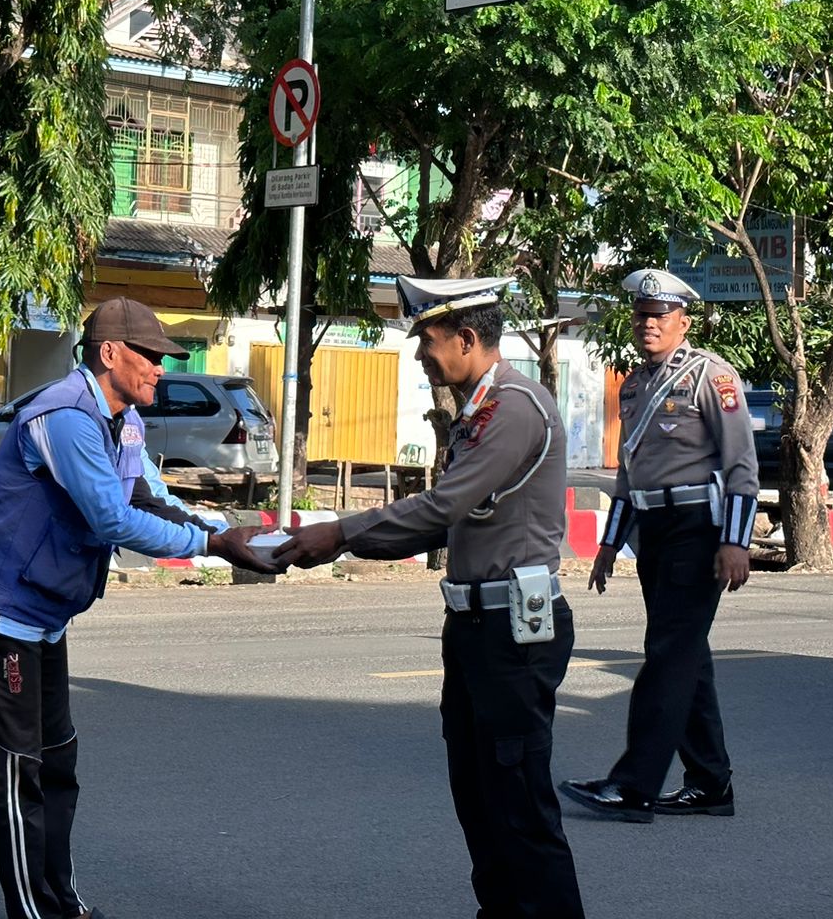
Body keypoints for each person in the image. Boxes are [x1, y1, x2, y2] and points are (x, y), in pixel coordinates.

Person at [0, 297, 269, 919]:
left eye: (163, 357)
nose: (159, 368)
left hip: (44, 615)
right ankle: (32, 913)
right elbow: (111, 518)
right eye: (149, 356)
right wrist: (209, 545)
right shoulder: (66, 415)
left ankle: (61, 902)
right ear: (109, 353)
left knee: (58, 759)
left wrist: (223, 534)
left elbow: (147, 496)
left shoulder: (125, 420)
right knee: (21, 773)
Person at [275, 275, 585, 919]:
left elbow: (442, 507)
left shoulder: (516, 407)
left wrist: (339, 534)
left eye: (428, 339)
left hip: (511, 632)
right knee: (478, 796)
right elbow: (447, 519)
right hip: (474, 625)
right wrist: (347, 541)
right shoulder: (480, 409)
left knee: (519, 804)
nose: (420, 354)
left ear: (467, 340)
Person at [560, 268, 758, 822]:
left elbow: (741, 462)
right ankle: (711, 782)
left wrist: (735, 541)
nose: (649, 324)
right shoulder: (636, 385)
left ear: (682, 323)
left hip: (699, 531)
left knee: (667, 656)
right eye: (642, 315)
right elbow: (629, 473)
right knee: (686, 657)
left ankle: (633, 785)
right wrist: (608, 544)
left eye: (660, 316)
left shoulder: (711, 378)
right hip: (655, 533)